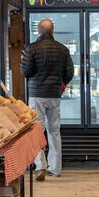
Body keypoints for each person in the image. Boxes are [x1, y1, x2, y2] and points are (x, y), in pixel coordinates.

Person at [21, 18, 74, 181]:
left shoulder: (32, 48)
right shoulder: (63, 49)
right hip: (54, 95)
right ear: (52, 31)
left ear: (39, 30)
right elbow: (69, 73)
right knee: (54, 130)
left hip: (37, 94)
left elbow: (25, 71)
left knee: (37, 130)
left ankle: (40, 166)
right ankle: (56, 168)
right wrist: (60, 83)